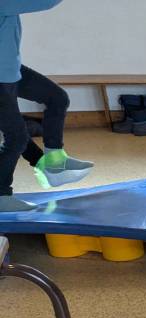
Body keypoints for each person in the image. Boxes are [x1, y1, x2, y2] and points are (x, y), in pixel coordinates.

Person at [0, 0, 94, 212]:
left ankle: (54, 161)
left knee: (57, 98)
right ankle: (1, 194)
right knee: (16, 138)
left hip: (10, 69)